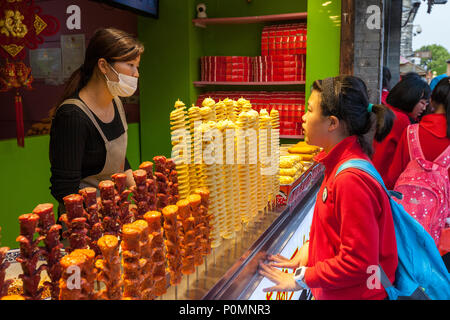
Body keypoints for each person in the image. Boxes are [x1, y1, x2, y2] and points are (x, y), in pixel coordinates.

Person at [259, 76, 398, 300]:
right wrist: (311, 249)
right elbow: (338, 233)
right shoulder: (338, 163)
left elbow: (359, 262)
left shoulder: (350, 180)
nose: (303, 117)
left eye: (310, 110)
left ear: (332, 123)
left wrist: (300, 279)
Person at [50, 28, 144, 217]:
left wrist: (140, 192)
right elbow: (64, 189)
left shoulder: (116, 102)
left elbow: (119, 159)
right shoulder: (72, 116)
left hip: (116, 215)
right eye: (130, 65)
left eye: (137, 66)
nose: (136, 74)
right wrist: (104, 207)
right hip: (84, 223)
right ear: (103, 65)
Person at [385, 77, 450, 271]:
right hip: (443, 234)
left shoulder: (410, 133)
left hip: (406, 227)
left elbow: (392, 177)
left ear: (433, 102)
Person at [371, 75, 430, 181]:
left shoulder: (390, 112)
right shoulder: (401, 120)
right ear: (410, 97)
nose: (424, 108)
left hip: (376, 175)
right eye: (422, 102)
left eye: (426, 104)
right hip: (386, 181)